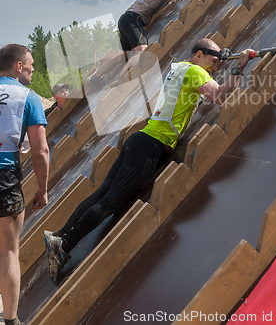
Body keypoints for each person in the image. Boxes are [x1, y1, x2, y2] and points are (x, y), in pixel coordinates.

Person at [44, 38, 252, 283]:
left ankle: (59, 236)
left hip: (141, 139)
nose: (215, 67)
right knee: (110, 202)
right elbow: (219, 96)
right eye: (213, 61)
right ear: (198, 55)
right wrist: (239, 66)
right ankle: (64, 246)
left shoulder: (179, 69)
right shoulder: (195, 71)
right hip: (150, 146)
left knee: (101, 194)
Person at [86, 0, 223, 86]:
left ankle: (95, 77)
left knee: (121, 56)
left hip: (126, 18)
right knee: (143, 53)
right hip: (134, 20)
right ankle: (119, 82)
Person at [0, 44, 49, 325]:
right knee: (8, 251)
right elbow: (40, 152)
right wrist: (42, 190)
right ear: (19, 66)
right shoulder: (27, 98)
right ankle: (10, 320)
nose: (33, 70)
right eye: (31, 65)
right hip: (4, 174)